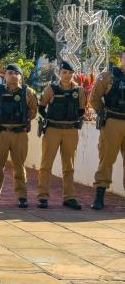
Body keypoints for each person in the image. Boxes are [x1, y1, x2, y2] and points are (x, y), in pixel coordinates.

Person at [0, 63, 38, 208]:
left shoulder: (28, 92)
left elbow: (33, 112)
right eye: (9, 73)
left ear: (20, 76)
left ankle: (22, 197)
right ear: (5, 76)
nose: (13, 75)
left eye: (16, 73)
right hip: (1, 133)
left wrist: (21, 122)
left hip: (19, 134)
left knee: (19, 166)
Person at [37, 60, 86, 210]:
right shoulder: (51, 89)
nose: (67, 75)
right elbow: (41, 108)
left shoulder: (79, 91)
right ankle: (43, 197)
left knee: (69, 165)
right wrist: (50, 120)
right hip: (53, 130)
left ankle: (69, 197)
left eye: (70, 73)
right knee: (46, 164)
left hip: (71, 131)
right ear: (59, 73)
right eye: (64, 72)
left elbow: (81, 110)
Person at [88, 47, 125, 210]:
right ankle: (99, 196)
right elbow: (94, 98)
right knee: (106, 159)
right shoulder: (107, 77)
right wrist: (103, 114)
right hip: (112, 121)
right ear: (121, 59)